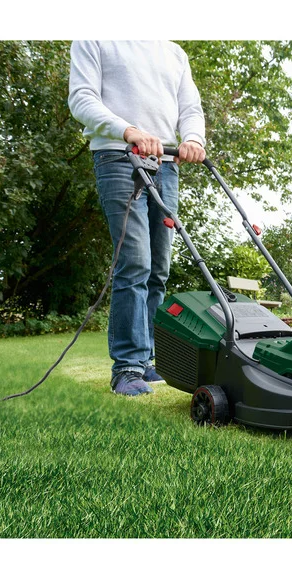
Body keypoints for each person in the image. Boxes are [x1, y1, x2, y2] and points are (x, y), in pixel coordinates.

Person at [69, 41, 206, 396]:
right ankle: (127, 367)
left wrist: (193, 138)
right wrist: (128, 130)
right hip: (118, 157)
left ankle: (146, 361)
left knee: (158, 268)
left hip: (167, 164)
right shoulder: (95, 39)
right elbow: (81, 98)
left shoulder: (173, 52)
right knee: (135, 263)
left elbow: (190, 107)